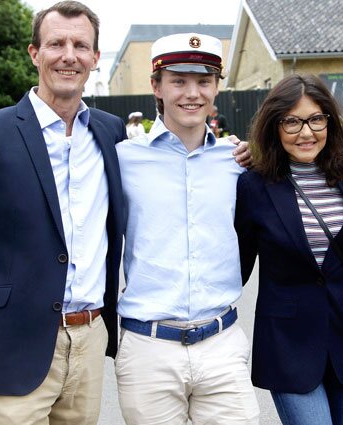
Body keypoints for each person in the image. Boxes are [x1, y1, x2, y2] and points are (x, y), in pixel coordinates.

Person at [0, 2, 127, 423]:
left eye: (80, 45)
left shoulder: (111, 133)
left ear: (95, 58)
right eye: (56, 43)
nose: (68, 55)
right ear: (35, 53)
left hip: (89, 341)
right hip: (8, 349)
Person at [113, 33, 260, 424]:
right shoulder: (123, 160)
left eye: (204, 81)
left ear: (216, 88)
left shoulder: (239, 160)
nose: (191, 93)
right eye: (178, 80)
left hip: (222, 344)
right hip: (149, 348)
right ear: (156, 86)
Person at [235, 74, 343, 425]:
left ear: (329, 120)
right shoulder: (254, 185)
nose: (306, 132)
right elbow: (236, 263)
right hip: (288, 344)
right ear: (275, 126)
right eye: (292, 121)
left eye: (315, 119)